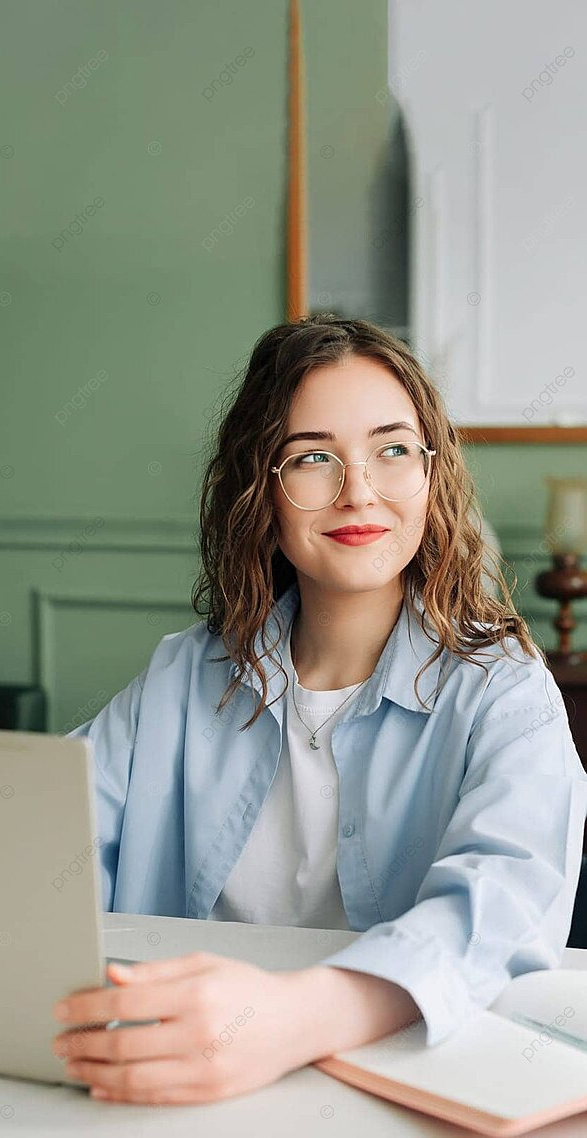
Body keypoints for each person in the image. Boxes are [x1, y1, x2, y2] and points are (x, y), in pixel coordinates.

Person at [52, 315, 587, 1106]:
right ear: (261, 489)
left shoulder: (504, 690)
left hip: (400, 1083)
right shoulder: (182, 677)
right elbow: (43, 845)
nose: (358, 491)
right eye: (312, 457)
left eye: (393, 450)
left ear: (432, 473)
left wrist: (295, 1017)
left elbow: (503, 903)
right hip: (182, 1083)